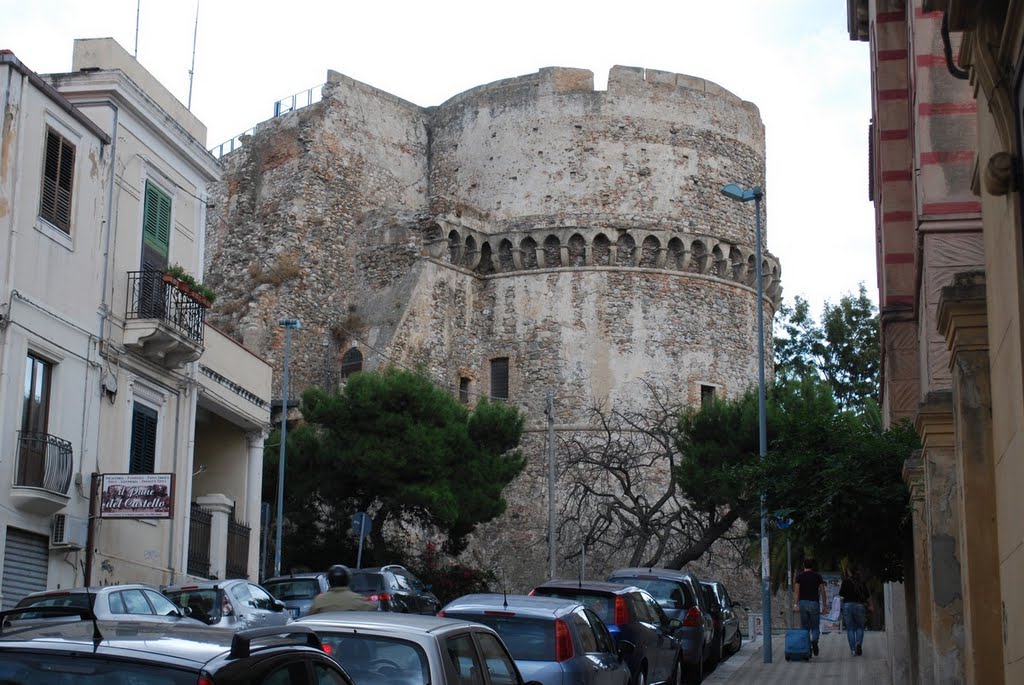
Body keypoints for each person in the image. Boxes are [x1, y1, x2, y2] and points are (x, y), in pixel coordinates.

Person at [793, 558, 827, 656]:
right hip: (814, 603)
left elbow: (796, 592)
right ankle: (815, 641)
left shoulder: (799, 576)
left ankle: (807, 649)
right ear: (812, 566)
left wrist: (795, 605)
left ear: (804, 565)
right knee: (815, 626)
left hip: (803, 603)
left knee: (805, 627)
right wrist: (824, 606)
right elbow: (823, 591)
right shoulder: (817, 576)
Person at [308, 564, 375, 614]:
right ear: (348, 580)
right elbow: (373, 611)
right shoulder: (358, 599)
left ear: (329, 581)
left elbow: (310, 617)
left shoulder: (319, 600)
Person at [839, 565, 872, 656]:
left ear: (850, 572)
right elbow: (867, 596)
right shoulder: (862, 582)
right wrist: (871, 606)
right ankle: (858, 644)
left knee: (850, 629)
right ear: (858, 571)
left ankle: (853, 650)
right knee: (860, 627)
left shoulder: (846, 581)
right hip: (859, 605)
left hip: (848, 605)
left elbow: (841, 594)